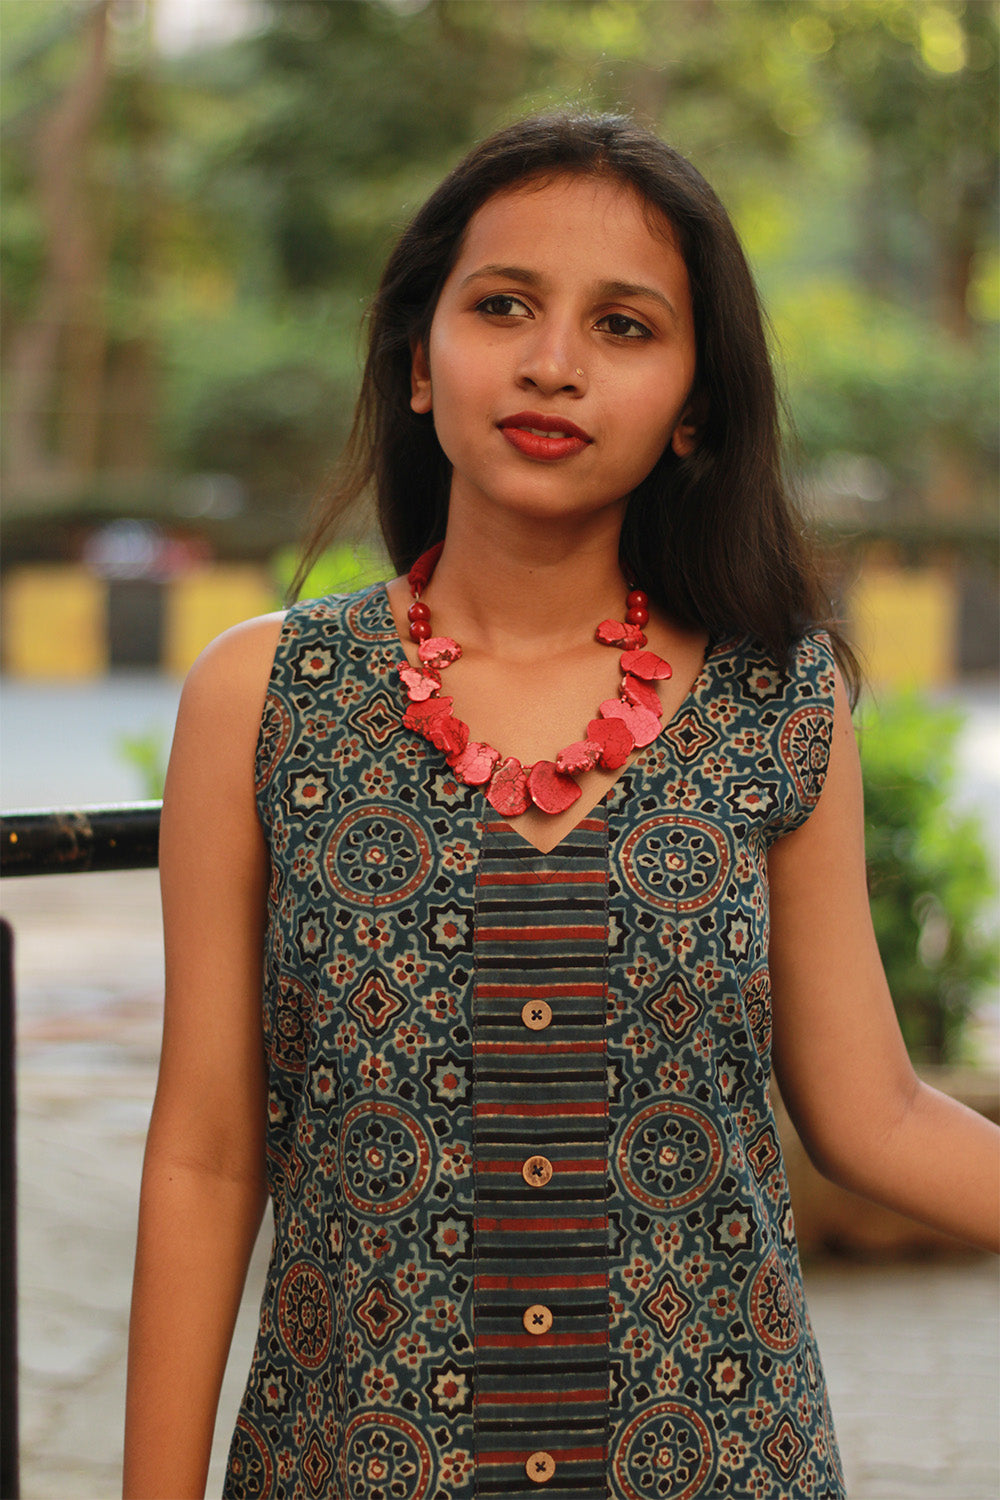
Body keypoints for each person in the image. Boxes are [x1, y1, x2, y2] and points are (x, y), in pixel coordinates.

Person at [123, 111, 999, 1500]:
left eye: (626, 327)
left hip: (720, 1462)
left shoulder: (781, 701)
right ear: (421, 360)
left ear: (697, 404)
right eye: (504, 305)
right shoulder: (263, 696)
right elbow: (209, 1152)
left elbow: (873, 1112)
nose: (552, 363)